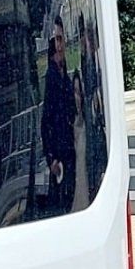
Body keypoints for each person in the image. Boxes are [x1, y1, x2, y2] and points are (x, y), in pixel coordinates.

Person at [41, 23, 78, 213]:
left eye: (62, 39)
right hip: (59, 149)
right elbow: (47, 119)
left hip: (68, 145)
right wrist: (51, 157)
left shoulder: (63, 74)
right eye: (58, 40)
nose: (61, 46)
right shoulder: (51, 77)